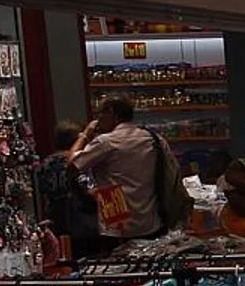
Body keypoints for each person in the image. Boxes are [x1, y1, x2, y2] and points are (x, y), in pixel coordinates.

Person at [69, 97, 164, 242]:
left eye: (99, 114)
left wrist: (85, 134)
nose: (97, 120)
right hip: (150, 220)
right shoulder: (152, 138)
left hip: (117, 222)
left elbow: (71, 164)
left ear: (111, 113)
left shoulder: (106, 142)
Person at [34, 122, 100, 263]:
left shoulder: (45, 164)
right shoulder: (78, 163)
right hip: (83, 223)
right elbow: (88, 189)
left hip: (55, 220)